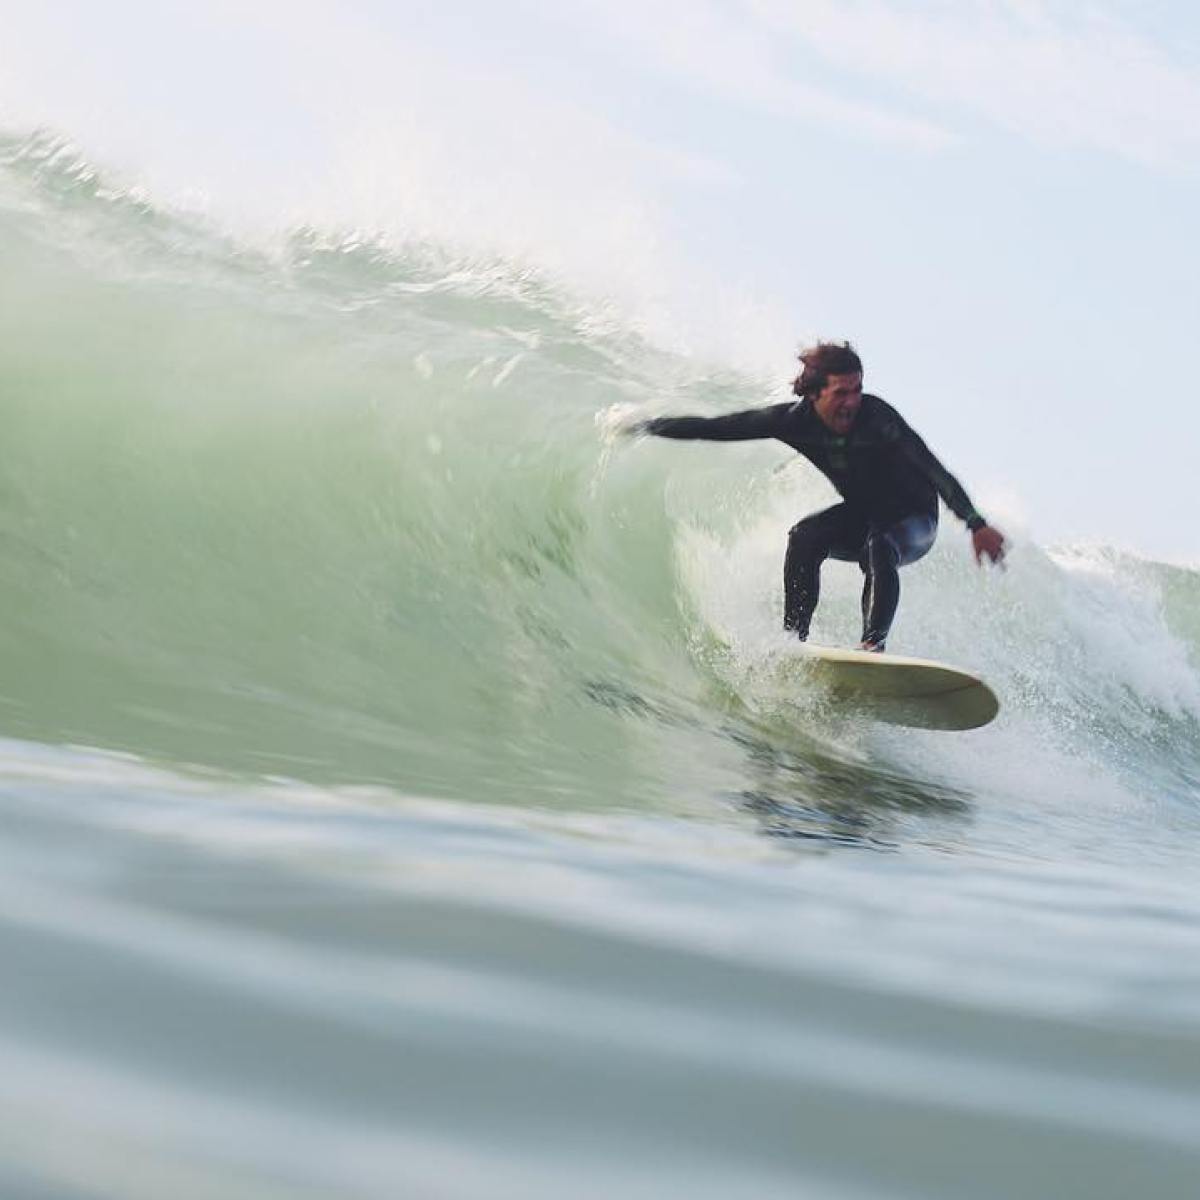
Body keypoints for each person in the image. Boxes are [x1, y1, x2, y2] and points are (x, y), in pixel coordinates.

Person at [635, 342, 1006, 652]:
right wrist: (647, 426)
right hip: (863, 514)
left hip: (915, 520)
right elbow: (716, 428)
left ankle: (872, 646)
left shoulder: (878, 418)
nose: (852, 401)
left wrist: (975, 523)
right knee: (804, 536)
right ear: (814, 394)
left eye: (857, 389)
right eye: (841, 392)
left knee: (878, 548)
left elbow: (932, 468)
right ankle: (793, 641)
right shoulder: (793, 422)